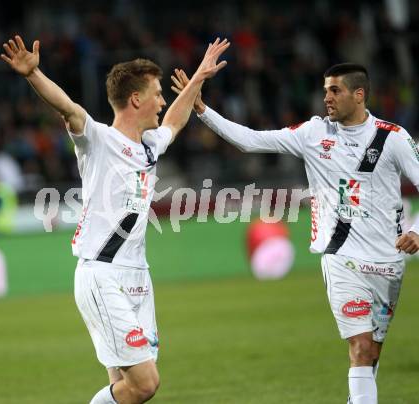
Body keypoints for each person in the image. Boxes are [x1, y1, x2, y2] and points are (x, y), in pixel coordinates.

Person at [171, 63, 419, 404]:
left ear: (359, 95)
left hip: (389, 262)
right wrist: (202, 110)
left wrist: (417, 230)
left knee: (372, 353)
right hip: (341, 259)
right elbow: (250, 141)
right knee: (360, 348)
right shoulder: (313, 134)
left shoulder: (393, 137)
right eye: (325, 89)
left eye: (336, 90)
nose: (326, 97)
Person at [1, 35, 229, 404]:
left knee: (129, 390)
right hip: (102, 274)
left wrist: (200, 76)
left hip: (138, 275)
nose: (162, 100)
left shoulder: (150, 145)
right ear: (136, 98)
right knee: (144, 383)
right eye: (156, 93)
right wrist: (34, 74)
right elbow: (69, 108)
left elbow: (175, 120)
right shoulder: (98, 139)